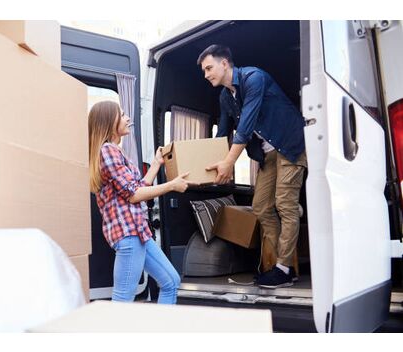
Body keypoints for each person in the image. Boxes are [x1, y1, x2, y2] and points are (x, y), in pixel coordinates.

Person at [197, 45, 307, 289]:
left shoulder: (254, 78)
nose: (206, 75)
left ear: (225, 63)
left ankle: (283, 269)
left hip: (290, 144)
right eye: (204, 71)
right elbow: (223, 134)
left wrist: (229, 163)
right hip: (267, 154)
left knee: (284, 203)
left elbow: (245, 126)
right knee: (260, 206)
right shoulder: (225, 97)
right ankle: (284, 266)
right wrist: (205, 165)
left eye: (209, 68)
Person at [88, 100, 190, 303]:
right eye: (122, 114)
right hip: (128, 234)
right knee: (123, 300)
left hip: (138, 233)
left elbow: (138, 186)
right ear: (110, 121)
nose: (127, 118)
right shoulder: (108, 150)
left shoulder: (115, 151)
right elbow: (134, 194)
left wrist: (156, 164)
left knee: (171, 281)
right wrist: (171, 186)